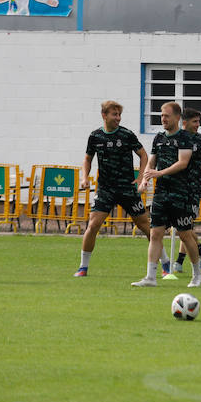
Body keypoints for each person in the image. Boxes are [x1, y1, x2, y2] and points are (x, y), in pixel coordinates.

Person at [74, 100, 151, 277]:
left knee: (145, 225)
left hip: (126, 188)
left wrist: (140, 178)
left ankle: (164, 263)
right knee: (93, 225)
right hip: (105, 189)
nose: (118, 118)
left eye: (119, 115)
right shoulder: (95, 136)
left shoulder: (126, 134)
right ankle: (83, 267)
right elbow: (88, 158)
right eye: (114, 114)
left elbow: (143, 155)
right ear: (104, 115)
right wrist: (85, 177)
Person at [134, 101, 201, 288]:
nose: (163, 118)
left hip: (182, 193)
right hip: (161, 193)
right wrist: (145, 179)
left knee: (185, 234)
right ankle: (150, 277)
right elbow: (152, 162)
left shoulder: (186, 138)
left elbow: (183, 162)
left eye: (167, 115)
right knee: (155, 233)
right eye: (161, 115)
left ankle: (197, 274)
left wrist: (160, 173)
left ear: (177, 117)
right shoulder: (158, 138)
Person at [170, 107, 201, 276]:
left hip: (193, 189)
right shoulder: (175, 138)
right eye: (195, 121)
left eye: (199, 121)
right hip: (175, 187)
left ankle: (184, 260)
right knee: (182, 226)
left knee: (184, 226)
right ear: (184, 122)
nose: (198, 125)